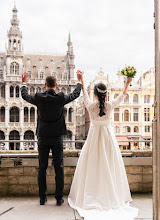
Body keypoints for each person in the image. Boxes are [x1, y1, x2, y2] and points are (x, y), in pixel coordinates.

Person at [68, 73, 139, 220]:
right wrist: (128, 83)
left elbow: (85, 95)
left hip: (94, 137)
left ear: (95, 94)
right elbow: (122, 96)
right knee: (110, 165)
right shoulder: (110, 105)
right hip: (107, 138)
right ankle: (111, 195)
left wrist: (81, 79)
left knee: (92, 165)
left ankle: (92, 193)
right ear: (106, 94)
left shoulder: (90, 106)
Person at [21, 71, 82, 206]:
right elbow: (75, 94)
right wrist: (79, 81)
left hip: (42, 136)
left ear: (45, 85)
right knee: (58, 167)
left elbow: (25, 96)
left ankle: (42, 197)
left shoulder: (38, 97)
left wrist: (24, 83)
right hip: (57, 137)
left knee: (42, 167)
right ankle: (59, 198)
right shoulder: (60, 97)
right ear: (56, 85)